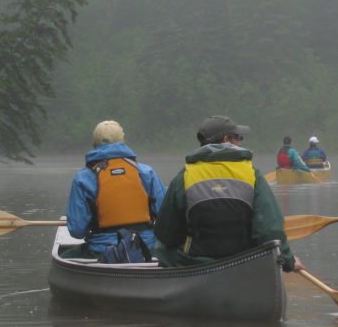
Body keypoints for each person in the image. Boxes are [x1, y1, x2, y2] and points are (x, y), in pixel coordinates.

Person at [154, 116, 304, 271]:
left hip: (196, 265)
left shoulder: (184, 176)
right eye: (238, 137)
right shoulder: (252, 174)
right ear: (226, 139)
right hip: (244, 263)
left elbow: (166, 233)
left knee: (161, 248)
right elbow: (270, 231)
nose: (241, 141)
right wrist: (288, 260)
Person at [65, 120, 166, 259]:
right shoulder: (146, 172)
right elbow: (166, 217)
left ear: (94, 144)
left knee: (67, 256)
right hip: (145, 249)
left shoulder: (83, 178)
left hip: (102, 250)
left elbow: (77, 230)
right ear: (123, 142)